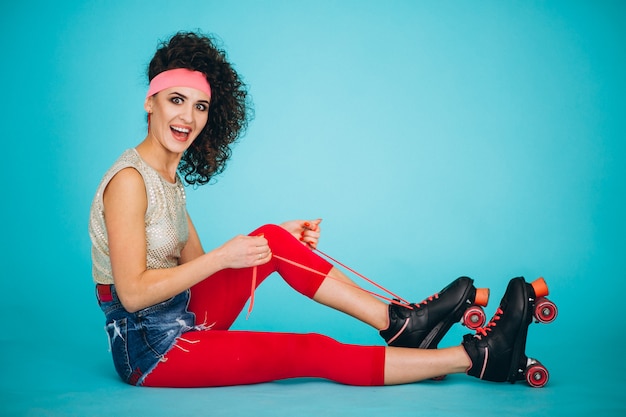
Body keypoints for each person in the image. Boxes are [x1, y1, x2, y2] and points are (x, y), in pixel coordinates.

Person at [89, 31, 554, 388]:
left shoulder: (168, 179)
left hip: (178, 313)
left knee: (273, 236)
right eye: (175, 101)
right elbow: (132, 295)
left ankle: (400, 323)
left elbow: (194, 271)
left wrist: (274, 246)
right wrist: (226, 257)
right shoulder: (129, 182)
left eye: (200, 106)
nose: (187, 118)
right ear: (149, 102)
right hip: (150, 347)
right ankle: (477, 358)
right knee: (313, 350)